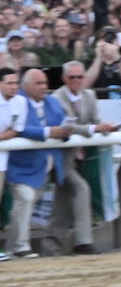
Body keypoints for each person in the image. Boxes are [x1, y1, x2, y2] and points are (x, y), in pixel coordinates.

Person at [5, 68, 94, 258]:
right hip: (22, 167)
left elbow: (63, 124)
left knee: (78, 189)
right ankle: (19, 247)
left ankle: (80, 243)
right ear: (26, 86)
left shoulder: (52, 102)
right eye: (39, 84)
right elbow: (19, 129)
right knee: (26, 199)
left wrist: (66, 131)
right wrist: (48, 132)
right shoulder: (17, 102)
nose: (44, 87)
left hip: (54, 165)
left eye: (45, 83)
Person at [0, 65, 19, 261]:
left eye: (16, 83)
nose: (14, 87)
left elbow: (16, 129)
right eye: (10, 83)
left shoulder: (19, 102)